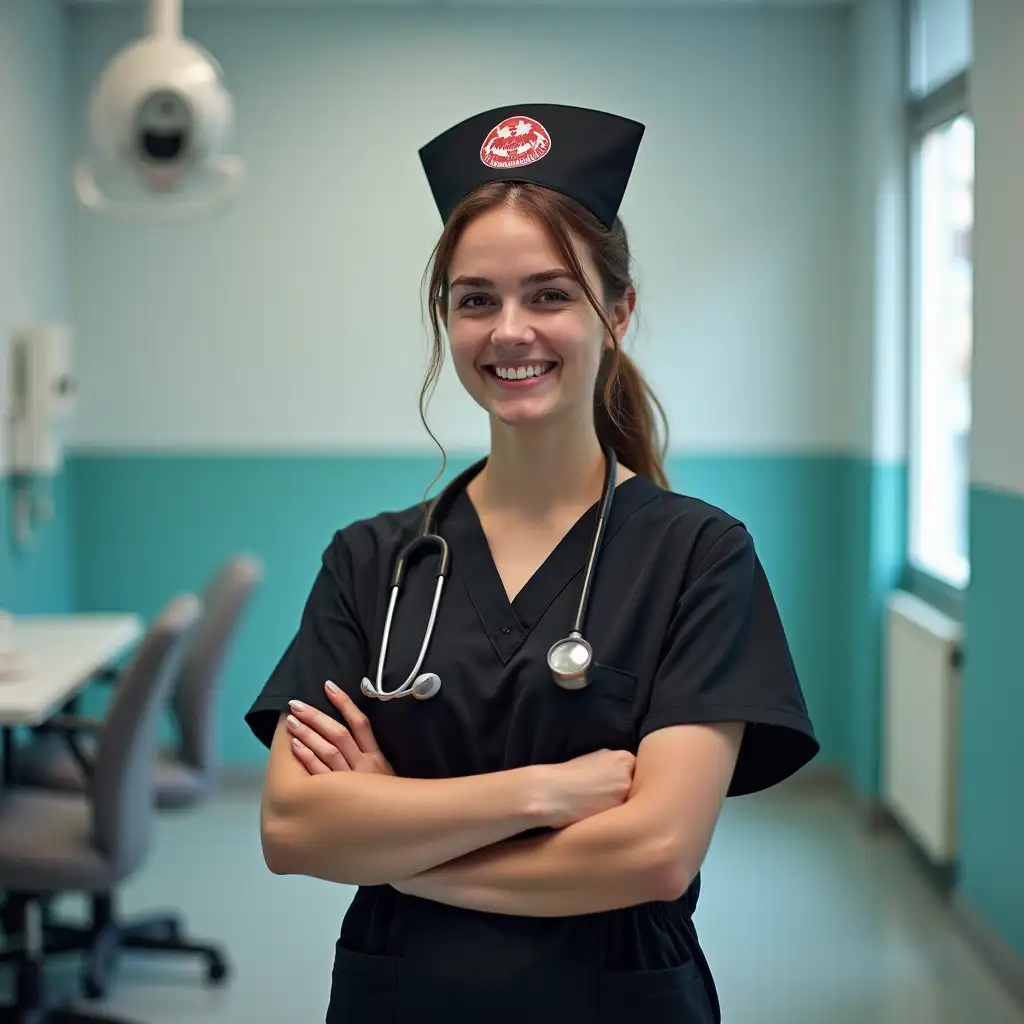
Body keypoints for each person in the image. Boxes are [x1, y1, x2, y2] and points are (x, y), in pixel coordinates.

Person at [244, 103, 819, 1024]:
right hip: (401, 997)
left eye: (549, 294)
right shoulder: (372, 560)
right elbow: (292, 828)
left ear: (618, 311)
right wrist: (543, 793)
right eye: (476, 300)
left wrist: (395, 825)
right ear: (448, 320)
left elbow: (656, 855)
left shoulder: (698, 556)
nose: (510, 330)